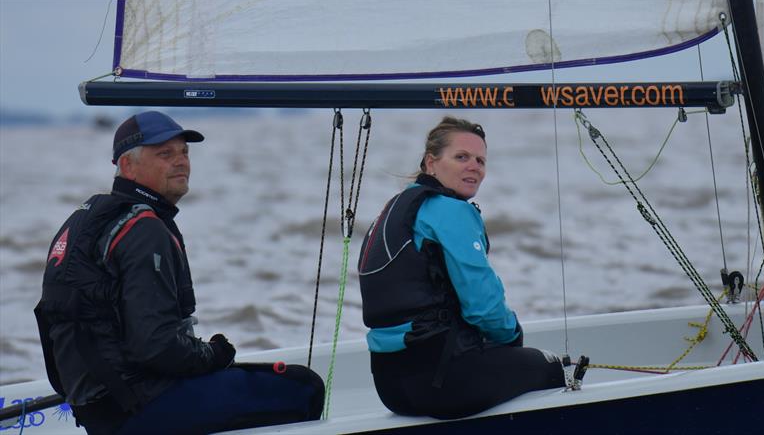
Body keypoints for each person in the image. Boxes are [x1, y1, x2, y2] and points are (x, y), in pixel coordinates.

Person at [35, 111, 324, 434]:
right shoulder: (143, 229)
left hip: (98, 410)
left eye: (184, 152)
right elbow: (156, 346)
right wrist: (212, 354)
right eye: (165, 154)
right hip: (137, 409)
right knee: (303, 387)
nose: (181, 162)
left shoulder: (84, 221)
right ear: (127, 166)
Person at [358, 116, 565, 419]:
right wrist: (512, 341)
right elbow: (483, 307)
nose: (474, 166)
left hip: (391, 386)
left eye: (481, 160)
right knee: (550, 368)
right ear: (431, 163)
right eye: (462, 157)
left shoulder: (394, 208)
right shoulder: (451, 210)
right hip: (441, 381)